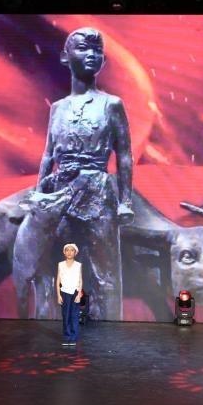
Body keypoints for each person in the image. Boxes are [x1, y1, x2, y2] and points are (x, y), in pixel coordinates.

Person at [12, 27, 134, 321]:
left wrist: (125, 201)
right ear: (65, 57)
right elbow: (48, 155)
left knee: (104, 273)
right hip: (60, 193)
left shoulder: (111, 105)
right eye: (83, 48)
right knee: (53, 267)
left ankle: (107, 333)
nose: (92, 54)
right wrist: (38, 195)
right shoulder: (58, 108)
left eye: (97, 50)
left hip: (97, 191)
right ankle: (54, 329)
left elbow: (125, 155)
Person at [56, 243, 83, 346]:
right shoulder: (61, 264)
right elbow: (58, 280)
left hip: (75, 292)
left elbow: (80, 280)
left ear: (75, 253)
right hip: (64, 293)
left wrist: (79, 294)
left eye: (72, 250)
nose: (69, 252)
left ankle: (73, 338)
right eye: (67, 250)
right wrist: (58, 295)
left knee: (74, 316)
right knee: (66, 315)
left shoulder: (78, 265)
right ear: (64, 252)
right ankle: (67, 337)